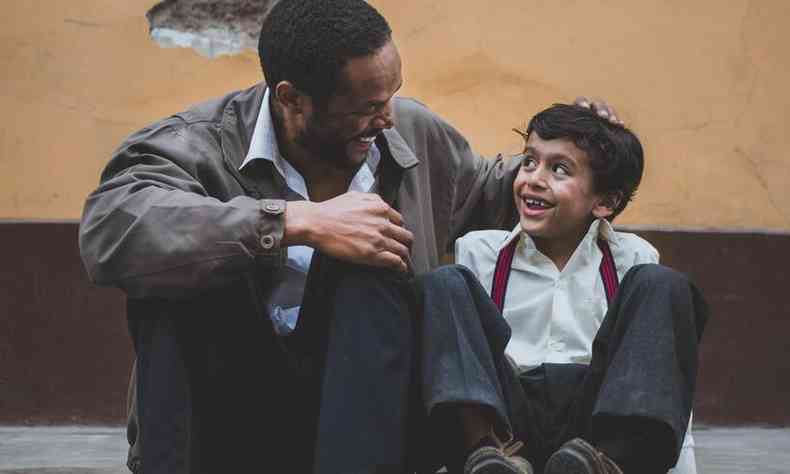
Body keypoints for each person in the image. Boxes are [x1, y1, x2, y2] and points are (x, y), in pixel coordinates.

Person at [79, 0, 622, 472]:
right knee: (180, 280)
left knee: (375, 271)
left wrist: (577, 159)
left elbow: (489, 191)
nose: (387, 118)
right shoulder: (196, 145)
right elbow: (112, 227)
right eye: (366, 107)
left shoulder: (409, 131)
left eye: (392, 96)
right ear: (292, 99)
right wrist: (296, 223)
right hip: (229, 415)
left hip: (373, 418)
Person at [455, 104, 709, 474]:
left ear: (605, 202)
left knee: (665, 284)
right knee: (443, 285)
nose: (534, 179)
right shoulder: (480, 253)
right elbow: (463, 363)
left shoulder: (633, 259)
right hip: (507, 435)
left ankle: (608, 462)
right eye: (529, 162)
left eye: (559, 169)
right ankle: (487, 460)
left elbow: (657, 377)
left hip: (592, 439)